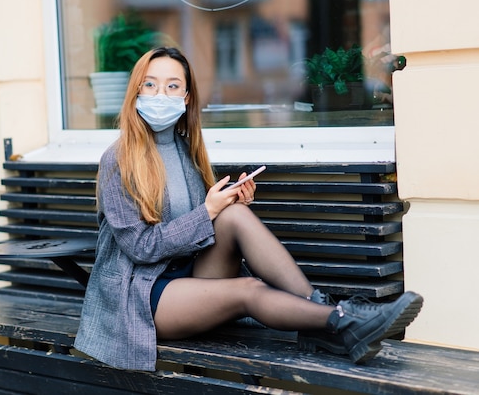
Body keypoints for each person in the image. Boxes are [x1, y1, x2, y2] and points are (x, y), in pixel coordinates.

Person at [74, 46, 423, 372]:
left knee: (235, 215)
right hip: (142, 298)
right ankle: (341, 320)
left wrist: (225, 205)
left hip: (186, 275)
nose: (160, 95)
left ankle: (319, 312)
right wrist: (206, 212)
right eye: (150, 85)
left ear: (186, 96)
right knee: (249, 290)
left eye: (172, 85)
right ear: (136, 92)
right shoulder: (118, 159)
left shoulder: (185, 150)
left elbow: (198, 228)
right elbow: (141, 248)